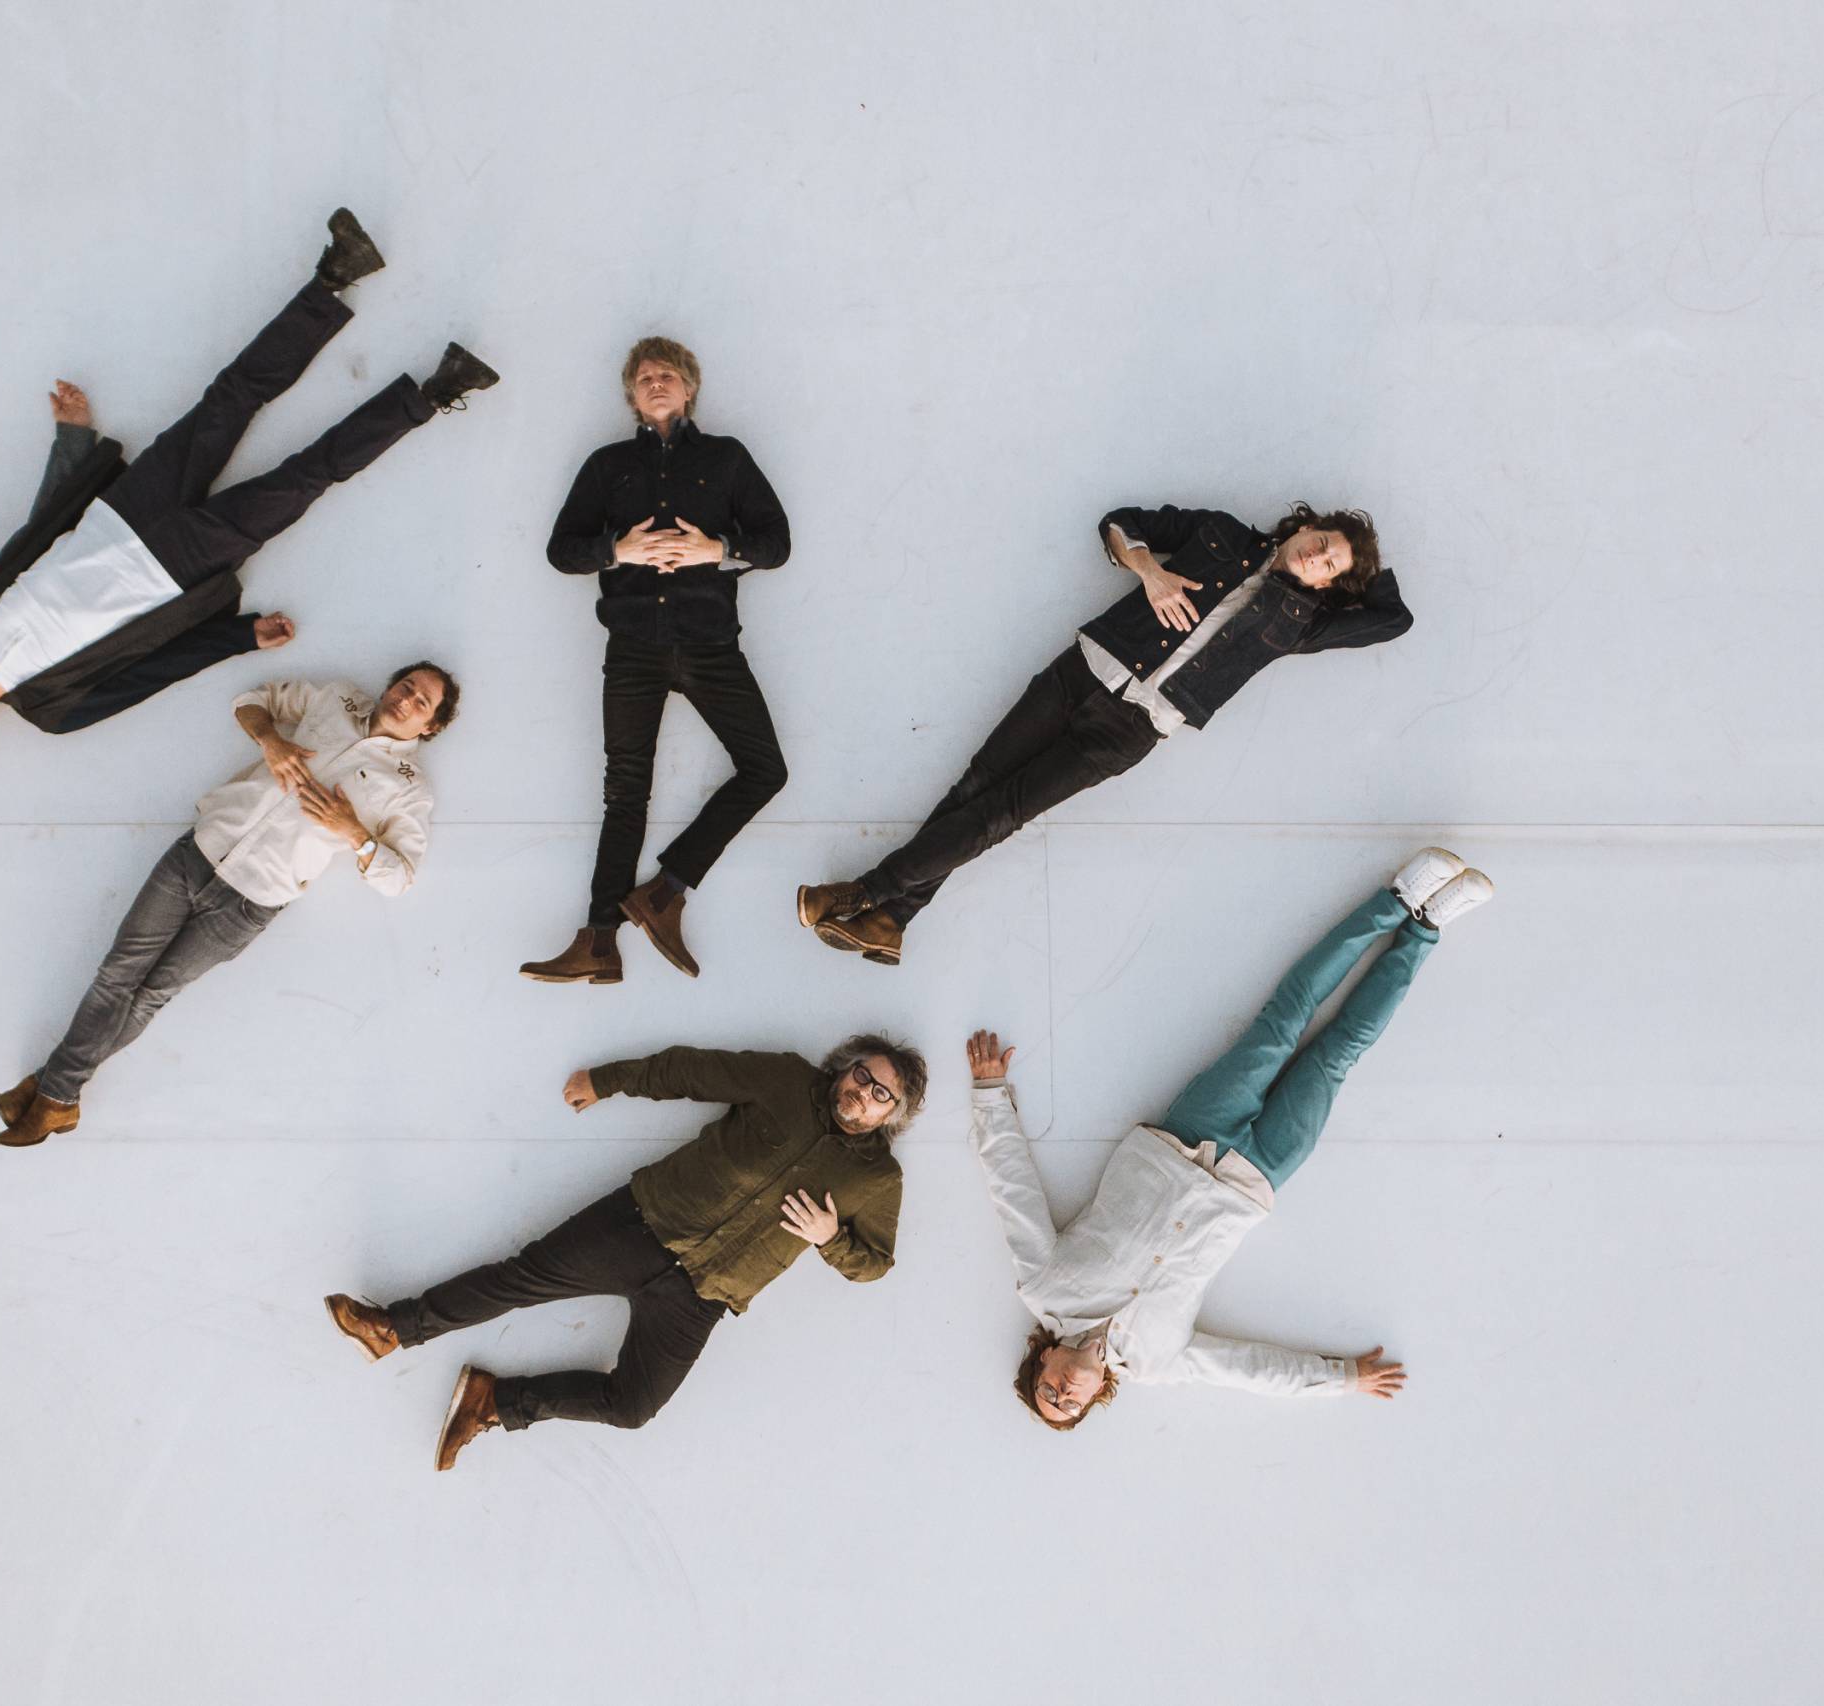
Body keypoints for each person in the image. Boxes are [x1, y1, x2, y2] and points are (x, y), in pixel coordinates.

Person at [0, 209, 497, 751]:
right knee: (305, 478)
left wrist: (72, 442)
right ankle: (435, 392)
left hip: (124, 510)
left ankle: (335, 276)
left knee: (229, 399)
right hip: (173, 569)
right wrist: (237, 638)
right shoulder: (51, 709)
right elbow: (153, 673)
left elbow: (37, 532)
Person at [965, 848, 1494, 1428]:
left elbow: (1013, 1193)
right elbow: (1251, 1371)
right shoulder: (1158, 1361)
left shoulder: (1045, 1288)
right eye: (1070, 1404)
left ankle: (1396, 899)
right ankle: (1425, 929)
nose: (1064, 1391)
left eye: (1048, 1389)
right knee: (1339, 1053)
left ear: (1043, 1359)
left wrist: (989, 1095)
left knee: (1284, 1020)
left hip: (1187, 1139)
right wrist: (1342, 1378)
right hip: (1257, 1177)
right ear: (1094, 1399)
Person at [797, 501, 1412, 964]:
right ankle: (892, 921)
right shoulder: (1221, 531)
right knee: (975, 788)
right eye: (1322, 542)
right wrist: (1150, 572)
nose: (1317, 557)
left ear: (1326, 584)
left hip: (1130, 728)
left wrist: (1362, 563)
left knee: (1003, 813)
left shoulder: (1302, 622)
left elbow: (1393, 619)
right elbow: (1120, 523)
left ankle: (863, 895)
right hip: (1082, 671)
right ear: (1306, 525)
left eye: (1329, 565)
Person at [322, 1035, 925, 1470]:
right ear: (844, 1067)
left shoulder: (878, 1180)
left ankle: (494, 1402)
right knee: (518, 1279)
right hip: (642, 1223)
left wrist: (830, 1238)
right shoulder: (787, 1080)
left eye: (881, 1094)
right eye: (861, 1075)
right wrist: (609, 1080)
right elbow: (692, 1071)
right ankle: (391, 1329)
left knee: (633, 1407)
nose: (863, 1092)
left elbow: (875, 1263)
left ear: (892, 1115)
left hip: (703, 1296)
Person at [0, 664, 458, 1146]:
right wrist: (270, 741)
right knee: (117, 975)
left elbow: (400, 877)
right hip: (197, 854)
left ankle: (51, 1089)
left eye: (422, 702)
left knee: (149, 995)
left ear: (430, 726)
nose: (406, 699)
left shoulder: (409, 788)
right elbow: (253, 700)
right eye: (406, 686)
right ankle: (57, 1098)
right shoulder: (337, 698)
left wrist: (354, 831)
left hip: (251, 902)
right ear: (391, 684)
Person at [517, 338, 792, 984]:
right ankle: (598, 942)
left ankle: (666, 891)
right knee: (625, 791)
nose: (656, 382)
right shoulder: (607, 465)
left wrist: (714, 550)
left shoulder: (727, 458)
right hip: (633, 648)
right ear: (632, 396)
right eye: (644, 377)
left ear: (689, 388)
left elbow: (777, 543)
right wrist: (620, 551)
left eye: (668, 374)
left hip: (709, 644)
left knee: (765, 770)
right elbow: (561, 551)